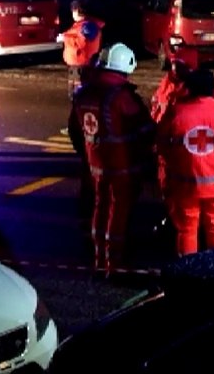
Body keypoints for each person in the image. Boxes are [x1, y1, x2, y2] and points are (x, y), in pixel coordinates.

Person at [68, 42, 155, 273]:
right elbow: (145, 130)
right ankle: (114, 262)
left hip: (95, 165)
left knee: (100, 207)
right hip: (123, 166)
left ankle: (99, 258)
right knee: (119, 212)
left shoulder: (84, 94)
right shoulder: (122, 97)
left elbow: (75, 131)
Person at [157, 68, 214, 256]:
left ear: (189, 88)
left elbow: (162, 145)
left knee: (187, 229)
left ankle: (188, 270)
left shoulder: (176, 113)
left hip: (186, 185)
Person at [63, 0, 105, 99]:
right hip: (75, 63)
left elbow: (82, 43)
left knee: (80, 92)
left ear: (78, 11)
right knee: (74, 91)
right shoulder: (80, 25)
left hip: (82, 63)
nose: (72, 14)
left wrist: (65, 38)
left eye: (73, 11)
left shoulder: (88, 26)